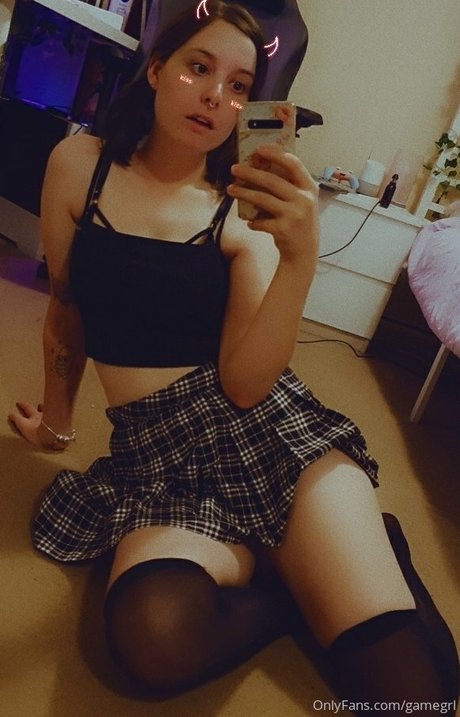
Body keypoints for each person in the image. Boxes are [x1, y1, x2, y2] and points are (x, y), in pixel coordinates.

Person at [9, 1, 458, 711]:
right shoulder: (79, 165)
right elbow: (66, 311)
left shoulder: (239, 209)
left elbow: (247, 385)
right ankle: (292, 578)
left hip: (267, 441)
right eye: (199, 68)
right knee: (154, 638)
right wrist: (57, 424)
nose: (217, 95)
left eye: (241, 85)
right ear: (157, 70)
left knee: (415, 692)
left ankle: (349, 545)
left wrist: (299, 259)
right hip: (157, 463)